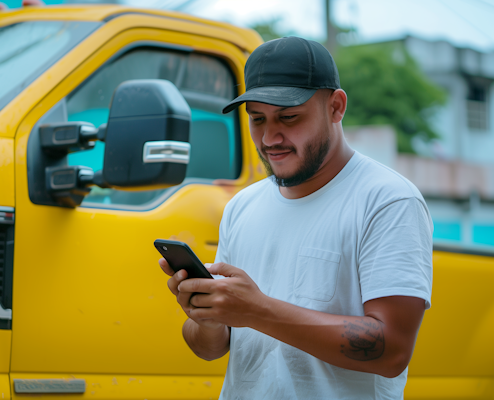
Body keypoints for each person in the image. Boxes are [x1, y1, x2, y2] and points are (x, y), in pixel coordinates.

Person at [158, 36, 433, 399]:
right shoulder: (242, 206)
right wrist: (207, 316)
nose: (270, 137)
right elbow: (211, 349)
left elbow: (392, 350)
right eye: (257, 119)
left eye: (289, 117)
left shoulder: (387, 201)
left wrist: (256, 311)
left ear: (336, 106)